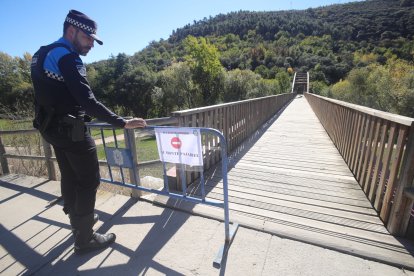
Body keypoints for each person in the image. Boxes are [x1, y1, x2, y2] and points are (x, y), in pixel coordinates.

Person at [31, 9, 146, 254]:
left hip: (50, 128)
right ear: (71, 31)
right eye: (88, 38)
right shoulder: (68, 58)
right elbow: (87, 100)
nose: (92, 44)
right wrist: (122, 122)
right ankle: (85, 238)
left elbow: (50, 94)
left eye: (94, 39)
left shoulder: (41, 53)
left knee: (70, 176)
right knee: (89, 180)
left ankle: (77, 220)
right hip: (71, 130)